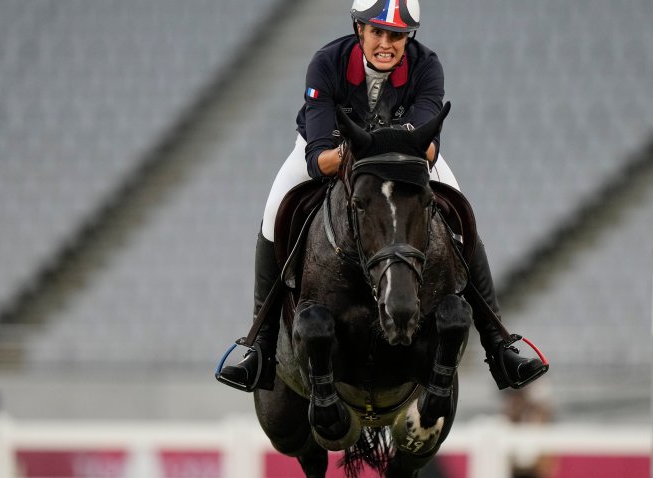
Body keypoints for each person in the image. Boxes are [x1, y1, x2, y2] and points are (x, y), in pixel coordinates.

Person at [220, 0, 547, 392]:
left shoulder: (427, 66)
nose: (386, 43)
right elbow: (318, 158)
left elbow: (427, 147)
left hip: (403, 160)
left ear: (408, 37)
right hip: (332, 151)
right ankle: (261, 347)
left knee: (460, 208)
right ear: (360, 30)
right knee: (275, 212)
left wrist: (383, 147)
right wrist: (361, 150)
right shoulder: (327, 63)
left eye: (396, 35)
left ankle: (500, 348)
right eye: (378, 32)